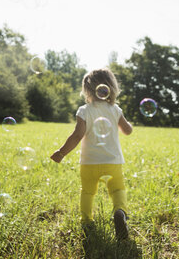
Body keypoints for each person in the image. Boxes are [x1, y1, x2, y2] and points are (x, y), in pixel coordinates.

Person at [50, 68, 132, 240]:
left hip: (89, 163)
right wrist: (123, 121)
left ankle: (87, 221)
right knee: (117, 189)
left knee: (87, 192)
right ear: (111, 87)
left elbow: (77, 135)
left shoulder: (84, 110)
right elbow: (127, 130)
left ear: (87, 90)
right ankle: (120, 211)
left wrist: (61, 152)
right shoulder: (115, 109)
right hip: (113, 162)